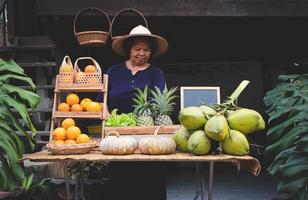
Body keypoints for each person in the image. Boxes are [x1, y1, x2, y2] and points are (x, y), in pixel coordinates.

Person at [105, 25, 169, 200]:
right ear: (129, 50)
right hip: (118, 133)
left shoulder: (156, 72)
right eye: (137, 49)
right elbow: (100, 100)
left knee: (150, 175)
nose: (142, 53)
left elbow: (159, 99)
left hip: (148, 134)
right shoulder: (113, 71)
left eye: (147, 50)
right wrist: (109, 118)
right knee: (121, 176)